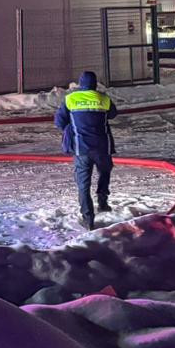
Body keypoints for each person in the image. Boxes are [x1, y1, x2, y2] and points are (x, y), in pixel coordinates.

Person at [54, 71, 118, 230]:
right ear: (95, 84)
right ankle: (102, 202)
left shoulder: (70, 99)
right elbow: (113, 114)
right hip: (102, 147)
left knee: (83, 184)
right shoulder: (104, 99)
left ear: (80, 83)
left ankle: (88, 219)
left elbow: (59, 121)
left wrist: (72, 129)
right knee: (105, 172)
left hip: (81, 147)